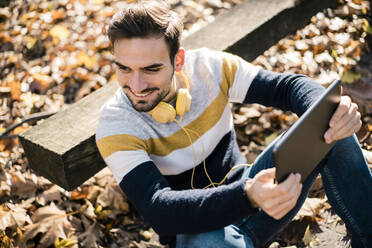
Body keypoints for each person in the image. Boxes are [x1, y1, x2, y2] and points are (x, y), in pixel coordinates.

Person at [95, 1, 372, 247]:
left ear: (178, 60)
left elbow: (288, 87)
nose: (137, 85)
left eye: (151, 69)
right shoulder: (115, 125)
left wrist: (332, 108)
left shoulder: (209, 68)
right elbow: (159, 210)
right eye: (124, 68)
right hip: (200, 231)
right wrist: (248, 195)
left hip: (260, 194)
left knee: (330, 121)